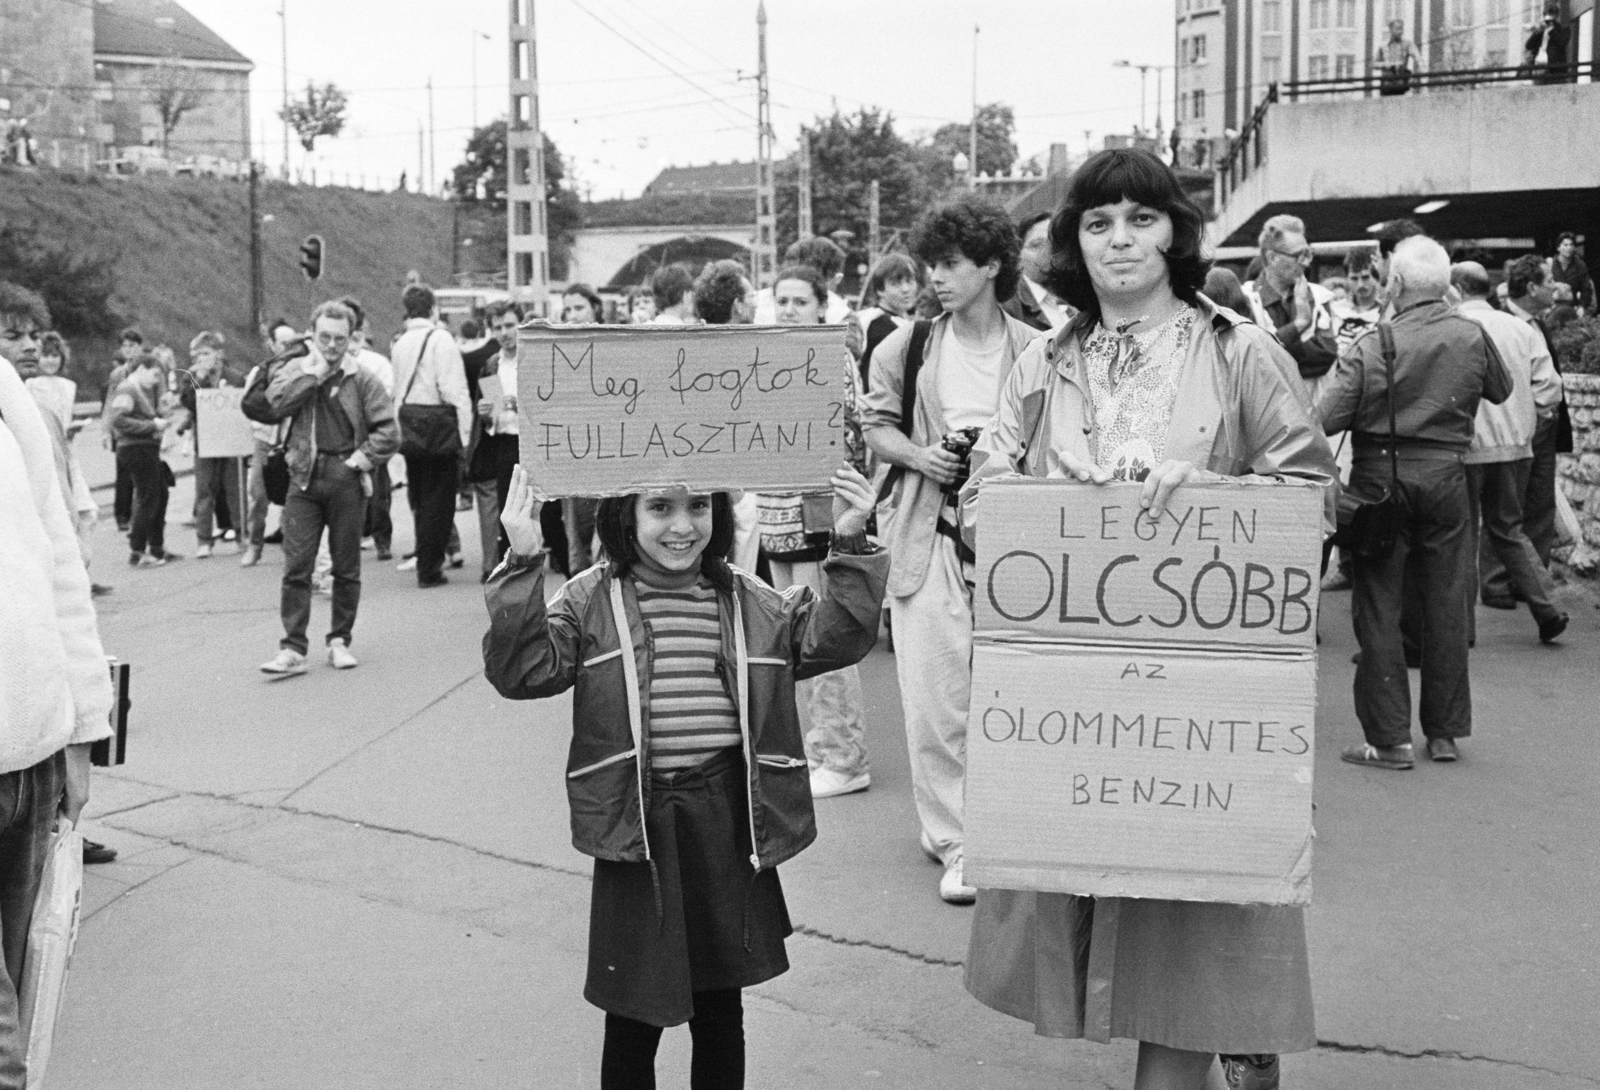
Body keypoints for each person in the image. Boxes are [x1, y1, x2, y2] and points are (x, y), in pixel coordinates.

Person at [960, 146, 1334, 1090]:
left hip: (1200, 704)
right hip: (1079, 696)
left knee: (1191, 945)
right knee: (1104, 903)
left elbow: (1311, 501)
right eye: (1096, 223)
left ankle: (1201, 1056)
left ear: (1174, 231)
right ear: (1071, 246)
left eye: (1140, 218)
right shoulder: (1043, 361)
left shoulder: (1240, 350)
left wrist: (1212, 491)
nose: (1119, 240)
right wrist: (1046, 494)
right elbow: (981, 499)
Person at [483, 461, 886, 1090]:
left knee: (722, 1006)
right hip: (638, 827)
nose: (683, 525)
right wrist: (524, 557)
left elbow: (832, 638)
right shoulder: (592, 598)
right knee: (633, 1011)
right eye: (661, 507)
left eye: (699, 506)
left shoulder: (747, 598)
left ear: (720, 514)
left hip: (726, 822)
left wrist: (852, 541)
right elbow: (524, 670)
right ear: (625, 514)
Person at [860, 193, 1043, 904]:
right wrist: (921, 456)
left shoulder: (1039, 347)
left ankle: (1003, 824)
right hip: (926, 530)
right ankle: (955, 838)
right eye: (933, 263)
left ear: (992, 265)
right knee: (935, 695)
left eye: (952, 264)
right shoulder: (905, 347)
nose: (936, 277)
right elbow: (873, 425)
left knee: (1010, 692)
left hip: (1014, 539)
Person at [1318, 237, 1513, 769]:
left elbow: (1325, 416)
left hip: (1381, 478)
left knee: (1379, 605)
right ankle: (1445, 733)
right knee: (1448, 601)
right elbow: (1501, 389)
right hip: (1448, 476)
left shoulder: (1372, 342)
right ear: (1446, 286)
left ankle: (1389, 740)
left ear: (1396, 284)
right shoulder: (1471, 334)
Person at [0, 319, 116, 1085]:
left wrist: (81, 726)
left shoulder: (6, 391)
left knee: (28, 989)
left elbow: (57, 561)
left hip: (29, 755)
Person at [757, 264, 873, 799]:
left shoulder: (832, 355)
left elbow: (846, 437)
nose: (788, 310)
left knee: (821, 633)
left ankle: (844, 756)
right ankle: (820, 747)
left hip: (814, 510)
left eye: (800, 301)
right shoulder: (771, 351)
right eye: (782, 300)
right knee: (790, 635)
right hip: (775, 511)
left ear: (821, 306)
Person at [254, 300, 400, 675]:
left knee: (346, 566)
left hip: (346, 478)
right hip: (303, 476)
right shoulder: (296, 370)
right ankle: (292, 647)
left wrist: (360, 460)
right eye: (324, 338)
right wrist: (312, 376)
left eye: (340, 338)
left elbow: (389, 431)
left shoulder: (362, 379)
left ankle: (339, 640)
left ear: (352, 339)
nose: (332, 346)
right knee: (296, 565)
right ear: (312, 335)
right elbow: (276, 405)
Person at [1452, 261, 1568, 644]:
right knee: (1510, 530)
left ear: (1455, 288)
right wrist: (1528, 417)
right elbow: (1550, 387)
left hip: (1467, 449)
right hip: (1517, 447)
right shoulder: (1522, 328)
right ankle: (1548, 608)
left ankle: (1463, 630)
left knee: (1463, 538)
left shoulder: (1452, 328)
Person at [391, 283, 473, 588]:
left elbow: (398, 390)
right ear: (433, 308)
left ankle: (425, 561)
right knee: (440, 501)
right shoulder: (441, 339)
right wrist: (466, 434)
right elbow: (454, 390)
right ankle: (430, 567)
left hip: (411, 428)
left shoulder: (400, 343)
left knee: (421, 497)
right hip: (438, 428)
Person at [1499, 254, 1573, 575]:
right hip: (1516, 428)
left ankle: (1535, 576)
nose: (1555, 287)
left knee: (1542, 503)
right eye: (1548, 281)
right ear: (1531, 287)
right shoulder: (1501, 323)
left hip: (1544, 426)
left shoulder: (1538, 322)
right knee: (1510, 507)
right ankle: (1505, 579)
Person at [1242, 214, 1339, 399]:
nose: (1306, 262)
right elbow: (1253, 363)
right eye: (1298, 255)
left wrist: (1279, 352)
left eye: (1308, 253)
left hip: (1311, 414)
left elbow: (1326, 355)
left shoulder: (1319, 297)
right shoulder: (1247, 299)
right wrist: (1299, 325)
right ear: (1272, 258)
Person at [177, 331, 246, 559]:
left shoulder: (235, 377)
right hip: (205, 441)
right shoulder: (192, 377)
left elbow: (245, 404)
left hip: (231, 439)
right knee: (204, 491)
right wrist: (200, 379)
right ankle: (204, 540)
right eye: (197, 355)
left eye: (206, 353)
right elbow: (187, 401)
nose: (201, 358)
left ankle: (240, 534)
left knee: (234, 488)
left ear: (219, 354)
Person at [108, 349, 179, 566]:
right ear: (141, 369)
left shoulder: (138, 389)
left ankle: (156, 547)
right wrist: (152, 425)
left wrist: (162, 415)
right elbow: (118, 420)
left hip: (144, 448)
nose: (157, 380)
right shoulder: (127, 389)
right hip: (136, 448)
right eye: (155, 374)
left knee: (160, 494)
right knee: (148, 496)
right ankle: (137, 551)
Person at [341, 299, 397, 561]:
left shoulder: (375, 362)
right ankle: (350, 537)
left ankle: (381, 538)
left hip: (370, 434)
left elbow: (386, 395)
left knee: (378, 492)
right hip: (340, 435)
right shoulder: (329, 359)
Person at [241, 320, 299, 567]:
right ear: (272, 345)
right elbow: (249, 404)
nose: (286, 347)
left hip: (290, 441)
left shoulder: (300, 370)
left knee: (292, 495)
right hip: (264, 439)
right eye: (282, 343)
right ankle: (255, 544)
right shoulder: (260, 372)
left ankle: (292, 547)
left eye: (291, 342)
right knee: (258, 493)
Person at [473, 301, 524, 580]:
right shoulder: (492, 364)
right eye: (498, 328)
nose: (504, 332)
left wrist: (522, 406)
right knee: (509, 514)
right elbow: (489, 417)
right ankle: (512, 575)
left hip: (533, 444)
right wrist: (485, 413)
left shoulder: (533, 359)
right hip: (504, 444)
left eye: (509, 325)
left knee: (543, 518)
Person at [105, 326, 146, 532]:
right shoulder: (117, 374)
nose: (128, 349)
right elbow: (109, 402)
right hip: (121, 429)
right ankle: (122, 514)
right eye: (124, 345)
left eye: (132, 345)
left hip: (143, 427)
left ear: (140, 346)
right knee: (123, 473)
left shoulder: (147, 369)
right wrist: (106, 430)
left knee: (144, 473)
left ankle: (142, 512)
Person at [1003, 211, 1072, 331]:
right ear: (1018, 253)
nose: (1047, 252)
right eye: (1036, 245)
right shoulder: (1009, 305)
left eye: (1053, 243)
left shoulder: (1075, 293)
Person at [1524, 1, 1573, 84]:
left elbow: (1562, 43)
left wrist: (1552, 30)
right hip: (1539, 69)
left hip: (1556, 72)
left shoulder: (1563, 29)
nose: (1548, 18)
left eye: (1551, 15)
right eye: (1546, 15)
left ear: (1556, 16)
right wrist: (1538, 32)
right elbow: (1529, 45)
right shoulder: (1540, 30)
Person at [1372, 19, 1422, 95]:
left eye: (1402, 29)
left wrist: (1418, 74)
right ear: (1391, 30)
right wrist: (1387, 65)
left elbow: (1418, 59)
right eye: (1398, 29)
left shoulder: (1407, 43)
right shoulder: (1383, 45)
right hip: (1386, 84)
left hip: (1402, 84)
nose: (1401, 32)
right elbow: (1374, 64)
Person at [1550, 232, 1592, 314]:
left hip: (1572, 307)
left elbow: (1586, 288)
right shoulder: (1550, 263)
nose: (1569, 248)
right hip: (1552, 306)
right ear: (1558, 248)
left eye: (1571, 245)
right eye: (1565, 245)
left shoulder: (1580, 265)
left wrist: (1582, 307)